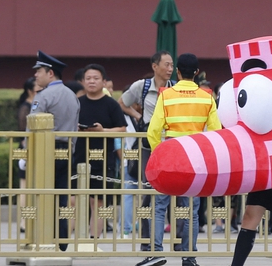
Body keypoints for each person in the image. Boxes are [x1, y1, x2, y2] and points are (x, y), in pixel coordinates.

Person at [135, 53, 220, 266]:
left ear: (179, 72)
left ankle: (155, 251)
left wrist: (158, 153)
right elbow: (216, 132)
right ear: (197, 72)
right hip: (196, 155)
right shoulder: (207, 97)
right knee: (191, 209)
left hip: (172, 155)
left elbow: (153, 131)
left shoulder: (166, 95)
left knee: (159, 205)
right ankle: (189, 257)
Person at [120, 51, 174, 253]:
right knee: (148, 191)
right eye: (166, 65)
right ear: (155, 66)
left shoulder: (175, 88)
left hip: (171, 146)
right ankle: (147, 240)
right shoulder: (141, 86)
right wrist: (139, 117)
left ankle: (178, 241)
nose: (169, 69)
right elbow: (122, 103)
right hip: (148, 147)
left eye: (171, 65)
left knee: (174, 192)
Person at [28, 51, 79, 250]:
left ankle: (44, 239)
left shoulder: (44, 95)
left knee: (42, 194)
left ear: (50, 73)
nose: (36, 76)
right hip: (67, 149)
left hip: (46, 150)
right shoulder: (72, 95)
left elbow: (32, 127)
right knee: (62, 196)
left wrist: (26, 150)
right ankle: (62, 241)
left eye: (39, 71)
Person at [73, 64, 126, 238]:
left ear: (103, 81)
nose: (92, 82)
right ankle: (65, 240)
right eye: (88, 78)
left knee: (98, 202)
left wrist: (103, 132)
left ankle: (93, 239)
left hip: (103, 160)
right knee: (73, 200)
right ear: (82, 81)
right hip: (79, 157)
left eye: (96, 78)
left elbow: (122, 129)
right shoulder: (77, 103)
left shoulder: (111, 104)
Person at [16, 77, 37, 230]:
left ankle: (30, 219)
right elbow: (24, 130)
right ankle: (24, 221)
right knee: (24, 186)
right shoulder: (26, 107)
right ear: (30, 91)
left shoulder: (36, 105)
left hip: (35, 146)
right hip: (26, 147)